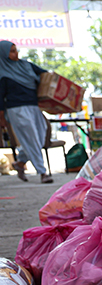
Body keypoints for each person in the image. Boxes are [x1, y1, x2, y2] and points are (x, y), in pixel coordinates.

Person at [0, 41, 54, 184]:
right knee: (31, 139)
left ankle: (20, 162)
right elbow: (0, 97)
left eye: (16, 50)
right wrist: (1, 117)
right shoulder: (2, 71)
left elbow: (46, 74)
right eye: (12, 51)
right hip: (16, 109)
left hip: (33, 106)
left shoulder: (27, 65)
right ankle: (42, 172)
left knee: (41, 136)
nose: (16, 53)